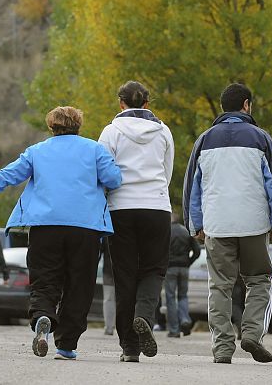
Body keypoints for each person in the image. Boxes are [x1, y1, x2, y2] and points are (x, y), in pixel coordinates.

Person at [0, 106, 121, 361]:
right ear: (78, 125)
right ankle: (66, 344)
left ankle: (43, 315)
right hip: (85, 228)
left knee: (44, 279)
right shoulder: (94, 149)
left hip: (45, 227)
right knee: (80, 285)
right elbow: (113, 179)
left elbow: (9, 174)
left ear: (51, 126)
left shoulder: (37, 151)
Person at [183, 83, 272, 365]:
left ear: (222, 107)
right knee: (260, 280)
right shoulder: (261, 138)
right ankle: (252, 333)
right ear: (246, 105)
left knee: (219, 286)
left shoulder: (204, 140)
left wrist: (195, 225)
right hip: (254, 224)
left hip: (217, 225)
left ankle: (222, 348)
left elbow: (192, 188)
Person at [98, 81, 175, 362]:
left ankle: (129, 348)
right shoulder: (163, 131)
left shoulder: (110, 132)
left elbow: (103, 173)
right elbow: (167, 172)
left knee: (125, 275)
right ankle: (144, 315)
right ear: (147, 104)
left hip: (121, 208)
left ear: (121, 103)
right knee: (154, 269)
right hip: (156, 206)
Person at [166, 212, 201, 338]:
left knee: (170, 297)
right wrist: (188, 263)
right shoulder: (186, 231)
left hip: (170, 268)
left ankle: (174, 330)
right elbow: (197, 251)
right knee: (183, 296)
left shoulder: (166, 231)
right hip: (184, 267)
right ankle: (185, 319)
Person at [101, 238, 116, 336]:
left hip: (109, 270)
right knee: (109, 298)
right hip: (110, 271)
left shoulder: (107, 232)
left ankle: (109, 327)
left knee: (108, 299)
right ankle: (109, 327)